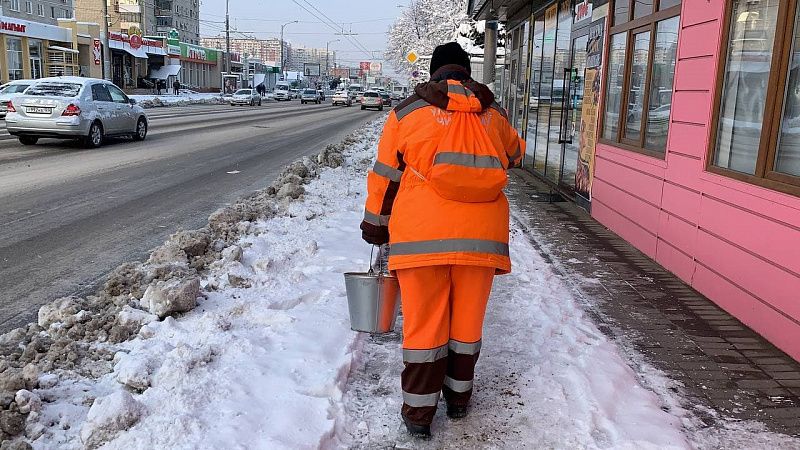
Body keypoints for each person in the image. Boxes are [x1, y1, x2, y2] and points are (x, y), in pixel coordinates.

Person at [360, 42, 525, 439]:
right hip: (481, 240)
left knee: (423, 326)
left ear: (433, 72)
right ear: (466, 73)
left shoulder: (407, 113)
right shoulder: (493, 113)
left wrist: (376, 225)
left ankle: (418, 415)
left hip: (420, 238)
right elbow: (516, 155)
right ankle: (458, 401)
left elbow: (386, 176)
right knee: (466, 324)